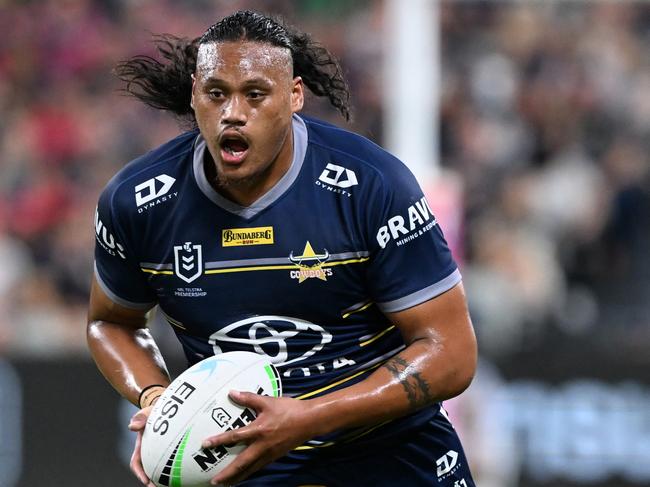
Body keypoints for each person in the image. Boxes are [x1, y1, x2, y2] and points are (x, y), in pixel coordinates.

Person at [87, 10, 477, 487]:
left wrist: (311, 417)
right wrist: (159, 401)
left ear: (294, 96)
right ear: (194, 95)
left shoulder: (372, 186)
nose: (232, 112)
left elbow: (452, 353)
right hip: (243, 466)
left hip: (394, 459)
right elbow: (111, 321)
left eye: (255, 94)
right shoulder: (138, 202)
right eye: (216, 94)